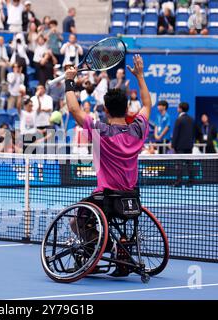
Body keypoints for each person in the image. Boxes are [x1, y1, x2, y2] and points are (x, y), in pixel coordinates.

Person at [64, 55, 151, 276]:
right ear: (126, 108)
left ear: (106, 110)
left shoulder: (100, 130)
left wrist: (69, 80)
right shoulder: (138, 129)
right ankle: (118, 249)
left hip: (106, 198)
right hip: (131, 198)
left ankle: (100, 251)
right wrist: (140, 76)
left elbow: (74, 110)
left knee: (75, 222)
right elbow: (147, 104)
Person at [172, 102, 195, 187]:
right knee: (189, 164)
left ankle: (179, 182)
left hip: (180, 147)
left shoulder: (179, 119)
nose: (177, 108)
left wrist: (173, 145)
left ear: (180, 109)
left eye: (178, 107)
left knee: (179, 165)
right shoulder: (191, 119)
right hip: (189, 146)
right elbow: (194, 132)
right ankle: (191, 182)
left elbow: (176, 134)